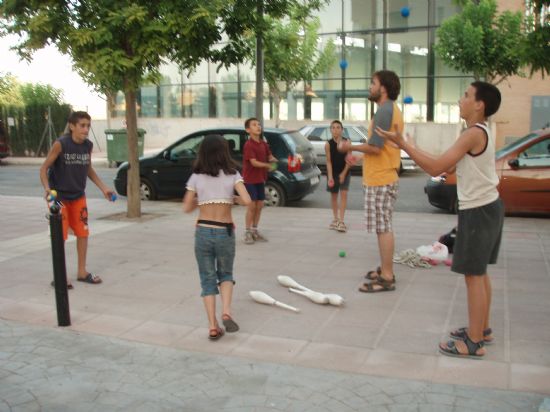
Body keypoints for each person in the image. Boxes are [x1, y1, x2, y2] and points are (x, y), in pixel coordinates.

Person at [376, 81, 503, 359]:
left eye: (466, 96)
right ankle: (481, 328)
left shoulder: (473, 133)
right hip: (487, 208)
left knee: (474, 274)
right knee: (479, 272)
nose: (461, 100)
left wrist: (404, 144)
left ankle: (473, 341)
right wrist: (407, 144)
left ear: (479, 105)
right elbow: (444, 162)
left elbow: (435, 167)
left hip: (479, 211)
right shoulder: (478, 132)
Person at [339, 70, 403, 293]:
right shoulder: (388, 110)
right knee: (381, 227)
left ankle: (387, 276)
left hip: (382, 179)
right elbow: (380, 148)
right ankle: (385, 269)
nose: (370, 86)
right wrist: (359, 157)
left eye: (372, 83)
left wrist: (350, 147)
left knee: (383, 228)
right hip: (382, 175)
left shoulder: (385, 110)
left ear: (383, 88)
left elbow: (375, 148)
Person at [183, 134, 251, 340]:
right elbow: (248, 200)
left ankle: (213, 326)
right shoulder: (232, 174)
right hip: (224, 231)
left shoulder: (196, 176)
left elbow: (186, 207)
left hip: (203, 231)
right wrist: (233, 198)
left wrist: (200, 201)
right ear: (224, 152)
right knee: (226, 274)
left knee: (207, 279)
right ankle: (226, 312)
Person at [39, 111, 115, 287]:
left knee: (83, 233)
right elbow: (43, 169)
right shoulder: (61, 144)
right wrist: (47, 189)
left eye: (88, 126)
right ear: (72, 126)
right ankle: (60, 276)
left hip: (78, 195)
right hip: (57, 197)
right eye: (82, 125)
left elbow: (88, 169)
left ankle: (82, 272)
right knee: (60, 235)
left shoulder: (87, 146)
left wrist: (104, 188)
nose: (86, 129)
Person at [242, 117, 277, 244]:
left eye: (259, 124)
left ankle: (255, 230)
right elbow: (254, 163)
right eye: (254, 125)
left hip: (260, 179)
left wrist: (274, 160)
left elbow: (270, 156)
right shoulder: (248, 145)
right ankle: (247, 232)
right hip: (250, 180)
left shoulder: (264, 144)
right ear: (248, 130)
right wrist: (267, 165)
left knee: (260, 205)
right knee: (251, 206)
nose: (258, 126)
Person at [325, 120, 351, 232]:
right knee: (334, 196)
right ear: (330, 130)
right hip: (333, 172)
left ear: (342, 130)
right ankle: (335, 219)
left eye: (338, 127)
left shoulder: (347, 142)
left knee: (344, 194)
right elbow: (328, 161)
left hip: (345, 171)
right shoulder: (328, 144)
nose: (336, 130)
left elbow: (349, 160)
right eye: (333, 127)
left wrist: (343, 174)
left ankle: (341, 221)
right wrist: (330, 177)